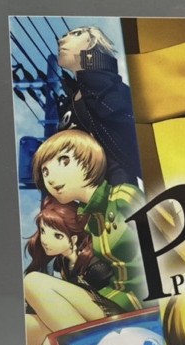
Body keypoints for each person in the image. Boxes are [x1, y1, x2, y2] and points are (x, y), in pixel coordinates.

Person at [29, 130, 146, 333]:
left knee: (32, 282)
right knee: (27, 326)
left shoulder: (122, 197)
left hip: (137, 307)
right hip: (109, 301)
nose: (51, 179)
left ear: (91, 160)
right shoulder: (89, 221)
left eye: (64, 161)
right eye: (45, 172)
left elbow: (170, 242)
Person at [22, 197, 116, 345]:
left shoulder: (96, 267)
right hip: (82, 324)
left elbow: (113, 305)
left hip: (112, 324)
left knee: (31, 281)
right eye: (43, 231)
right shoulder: (62, 263)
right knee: (24, 326)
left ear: (73, 239)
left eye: (57, 236)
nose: (45, 240)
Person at [56, 25, 142, 185]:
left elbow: (135, 128)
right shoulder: (71, 100)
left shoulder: (105, 86)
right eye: (64, 36)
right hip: (82, 191)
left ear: (92, 43)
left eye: (75, 34)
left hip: (116, 188)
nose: (61, 40)